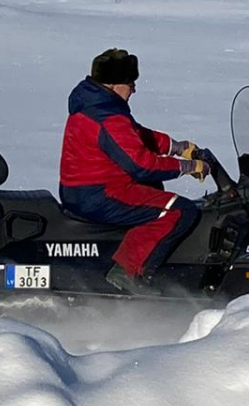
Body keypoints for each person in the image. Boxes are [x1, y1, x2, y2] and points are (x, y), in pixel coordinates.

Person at [59, 48, 209, 293]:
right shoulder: (108, 117)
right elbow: (141, 165)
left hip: (83, 190)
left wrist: (178, 147)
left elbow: (135, 136)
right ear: (114, 84)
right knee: (180, 211)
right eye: (131, 83)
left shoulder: (95, 105)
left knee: (154, 191)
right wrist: (188, 167)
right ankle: (128, 273)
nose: (134, 90)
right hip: (100, 194)